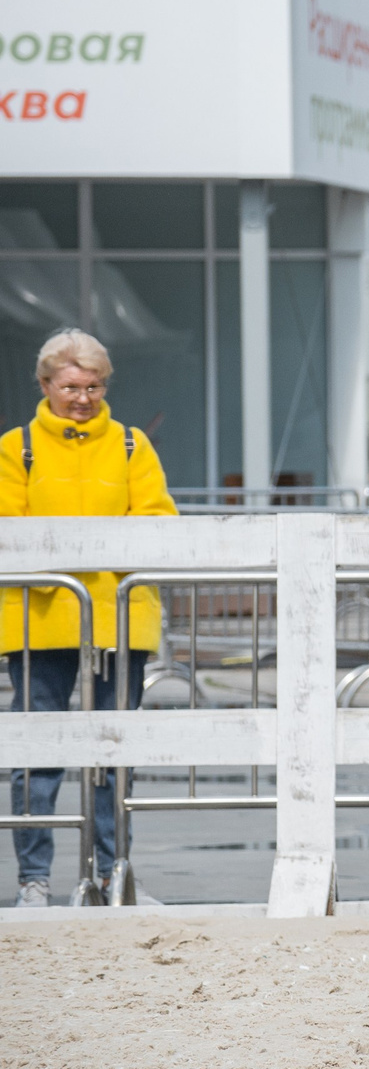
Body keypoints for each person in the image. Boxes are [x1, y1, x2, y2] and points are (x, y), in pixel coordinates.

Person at [2, 329, 178, 908]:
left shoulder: (130, 446)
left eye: (94, 385)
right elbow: (12, 529)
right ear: (45, 384)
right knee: (39, 753)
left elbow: (156, 520)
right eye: (71, 386)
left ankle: (113, 870)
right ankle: (33, 879)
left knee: (113, 752)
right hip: (38, 625)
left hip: (119, 622)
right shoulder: (16, 448)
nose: (83, 397)